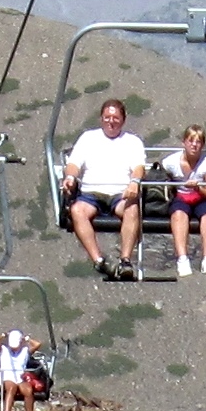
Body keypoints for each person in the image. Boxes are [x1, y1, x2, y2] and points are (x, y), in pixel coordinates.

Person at [62, 97, 148, 276]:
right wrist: (70, 177)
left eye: (116, 118)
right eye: (107, 117)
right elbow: (74, 163)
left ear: (122, 120)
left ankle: (125, 260)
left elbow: (139, 167)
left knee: (132, 209)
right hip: (91, 193)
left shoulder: (132, 142)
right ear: (101, 119)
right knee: (77, 211)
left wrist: (135, 182)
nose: (111, 121)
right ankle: (98, 260)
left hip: (120, 194)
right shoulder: (88, 138)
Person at [160, 125, 206, 277]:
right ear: (184, 142)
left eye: (198, 142)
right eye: (191, 141)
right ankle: (182, 259)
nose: (194, 145)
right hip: (181, 197)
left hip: (202, 197)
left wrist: (199, 188)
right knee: (178, 214)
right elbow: (159, 175)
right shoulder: (171, 162)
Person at [0, 324, 37, 411]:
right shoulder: (4, 349)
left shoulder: (25, 350)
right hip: (7, 374)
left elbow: (37, 344)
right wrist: (4, 335)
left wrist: (27, 339)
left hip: (20, 376)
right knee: (11, 388)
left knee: (28, 391)